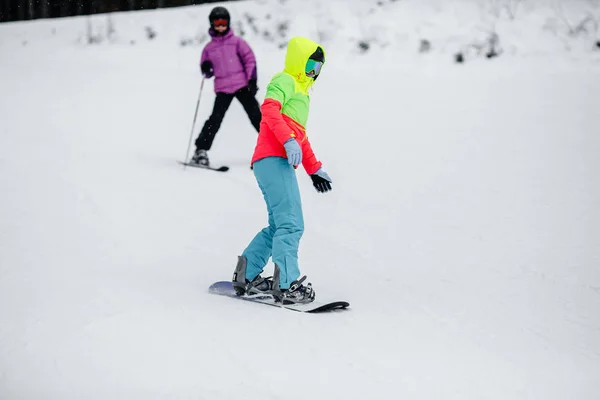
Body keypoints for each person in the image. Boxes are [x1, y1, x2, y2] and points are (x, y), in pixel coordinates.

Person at [231, 36, 332, 305]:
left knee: (278, 225)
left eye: (318, 68)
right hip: (274, 158)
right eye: (311, 64)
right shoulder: (284, 80)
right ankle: (287, 284)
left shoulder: (302, 93)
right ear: (300, 60)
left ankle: (246, 275)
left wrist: (315, 169)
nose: (314, 71)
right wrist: (287, 140)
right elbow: (269, 110)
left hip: (270, 161)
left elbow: (302, 138)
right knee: (292, 224)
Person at [191, 6, 261, 167]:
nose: (221, 26)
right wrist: (206, 67)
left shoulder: (237, 42)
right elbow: (206, 70)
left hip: (242, 85)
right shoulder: (209, 48)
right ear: (212, 24)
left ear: (228, 23)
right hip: (222, 88)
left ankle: (273, 148)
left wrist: (252, 79)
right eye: (217, 23)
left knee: (257, 116)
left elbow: (250, 59)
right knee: (215, 119)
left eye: (223, 22)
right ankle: (200, 150)